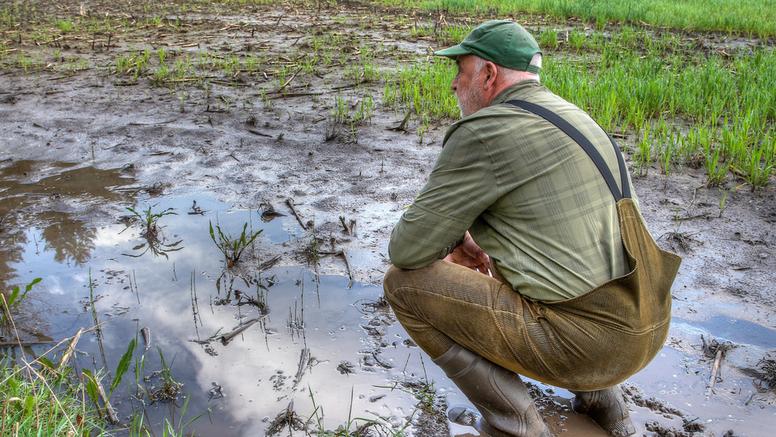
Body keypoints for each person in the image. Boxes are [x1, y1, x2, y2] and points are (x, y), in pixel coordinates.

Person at [383, 20, 681, 437]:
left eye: (461, 71)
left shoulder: (486, 131)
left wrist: (452, 238)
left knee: (403, 284)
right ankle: (606, 409)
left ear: (487, 75)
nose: (454, 85)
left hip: (590, 347)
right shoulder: (573, 115)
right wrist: (475, 238)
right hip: (648, 328)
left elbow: (406, 249)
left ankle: (515, 426)